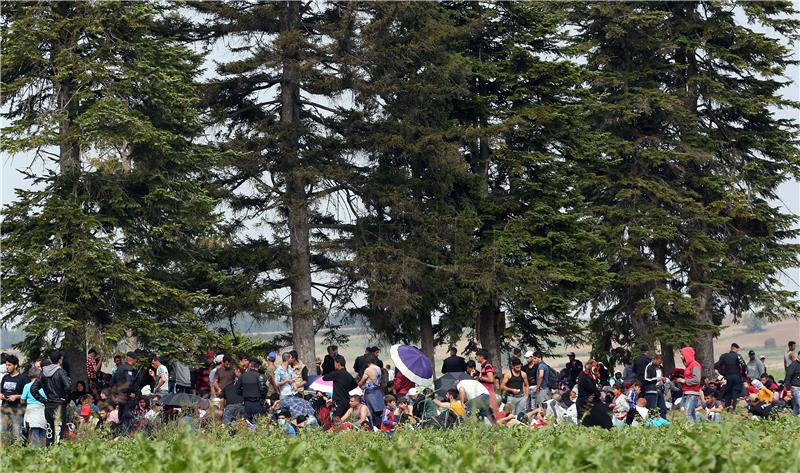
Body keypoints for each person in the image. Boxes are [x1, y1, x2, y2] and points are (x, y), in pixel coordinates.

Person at [30, 351, 71, 445]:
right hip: (59, 405)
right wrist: (66, 399)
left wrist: (44, 400)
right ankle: (58, 453)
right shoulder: (60, 371)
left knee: (50, 431)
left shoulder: (42, 373)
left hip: (48, 406)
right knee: (59, 432)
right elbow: (68, 386)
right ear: (60, 359)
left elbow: (33, 389)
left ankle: (48, 451)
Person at [1, 354, 26, 443]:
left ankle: (17, 454)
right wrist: (1, 395)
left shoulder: (23, 378)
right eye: (6, 365)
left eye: (9, 365)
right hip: (4, 410)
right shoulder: (5, 377)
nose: (7, 367)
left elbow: (26, 394)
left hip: (17, 411)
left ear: (15, 365)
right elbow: (1, 391)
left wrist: (16, 396)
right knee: (3, 434)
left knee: (16, 435)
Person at [20, 368, 47, 447]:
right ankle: (45, 453)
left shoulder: (27, 386)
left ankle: (36, 454)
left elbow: (22, 400)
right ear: (39, 376)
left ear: (29, 376)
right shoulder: (44, 386)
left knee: (34, 434)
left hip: (32, 412)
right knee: (43, 433)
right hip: (43, 410)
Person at [716, 343, 745, 411]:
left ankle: (727, 408)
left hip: (728, 377)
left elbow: (717, 365)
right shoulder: (738, 356)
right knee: (734, 394)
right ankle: (734, 409)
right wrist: (742, 374)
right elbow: (744, 366)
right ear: (735, 349)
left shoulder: (724, 356)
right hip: (736, 377)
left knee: (728, 393)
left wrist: (723, 373)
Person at [676, 347, 702, 423]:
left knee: (688, 414)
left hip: (692, 393)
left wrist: (684, 381)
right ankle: (697, 429)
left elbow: (697, 380)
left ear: (687, 355)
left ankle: (692, 431)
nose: (681, 356)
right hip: (688, 393)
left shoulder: (695, 365)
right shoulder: (689, 366)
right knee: (692, 414)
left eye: (682, 354)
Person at [357, 354, 385, 421]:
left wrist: (358, 386)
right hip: (378, 391)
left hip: (370, 392)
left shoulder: (368, 369)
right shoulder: (378, 368)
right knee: (379, 410)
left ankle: (373, 426)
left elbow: (362, 381)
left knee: (371, 411)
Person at [643, 354, 668, 419]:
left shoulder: (661, 367)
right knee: (652, 409)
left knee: (663, 408)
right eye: (659, 361)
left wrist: (664, 379)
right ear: (655, 359)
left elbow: (663, 376)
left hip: (660, 389)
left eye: (661, 362)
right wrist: (656, 379)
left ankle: (664, 421)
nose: (660, 363)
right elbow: (646, 379)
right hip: (651, 390)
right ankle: (651, 423)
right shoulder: (649, 367)